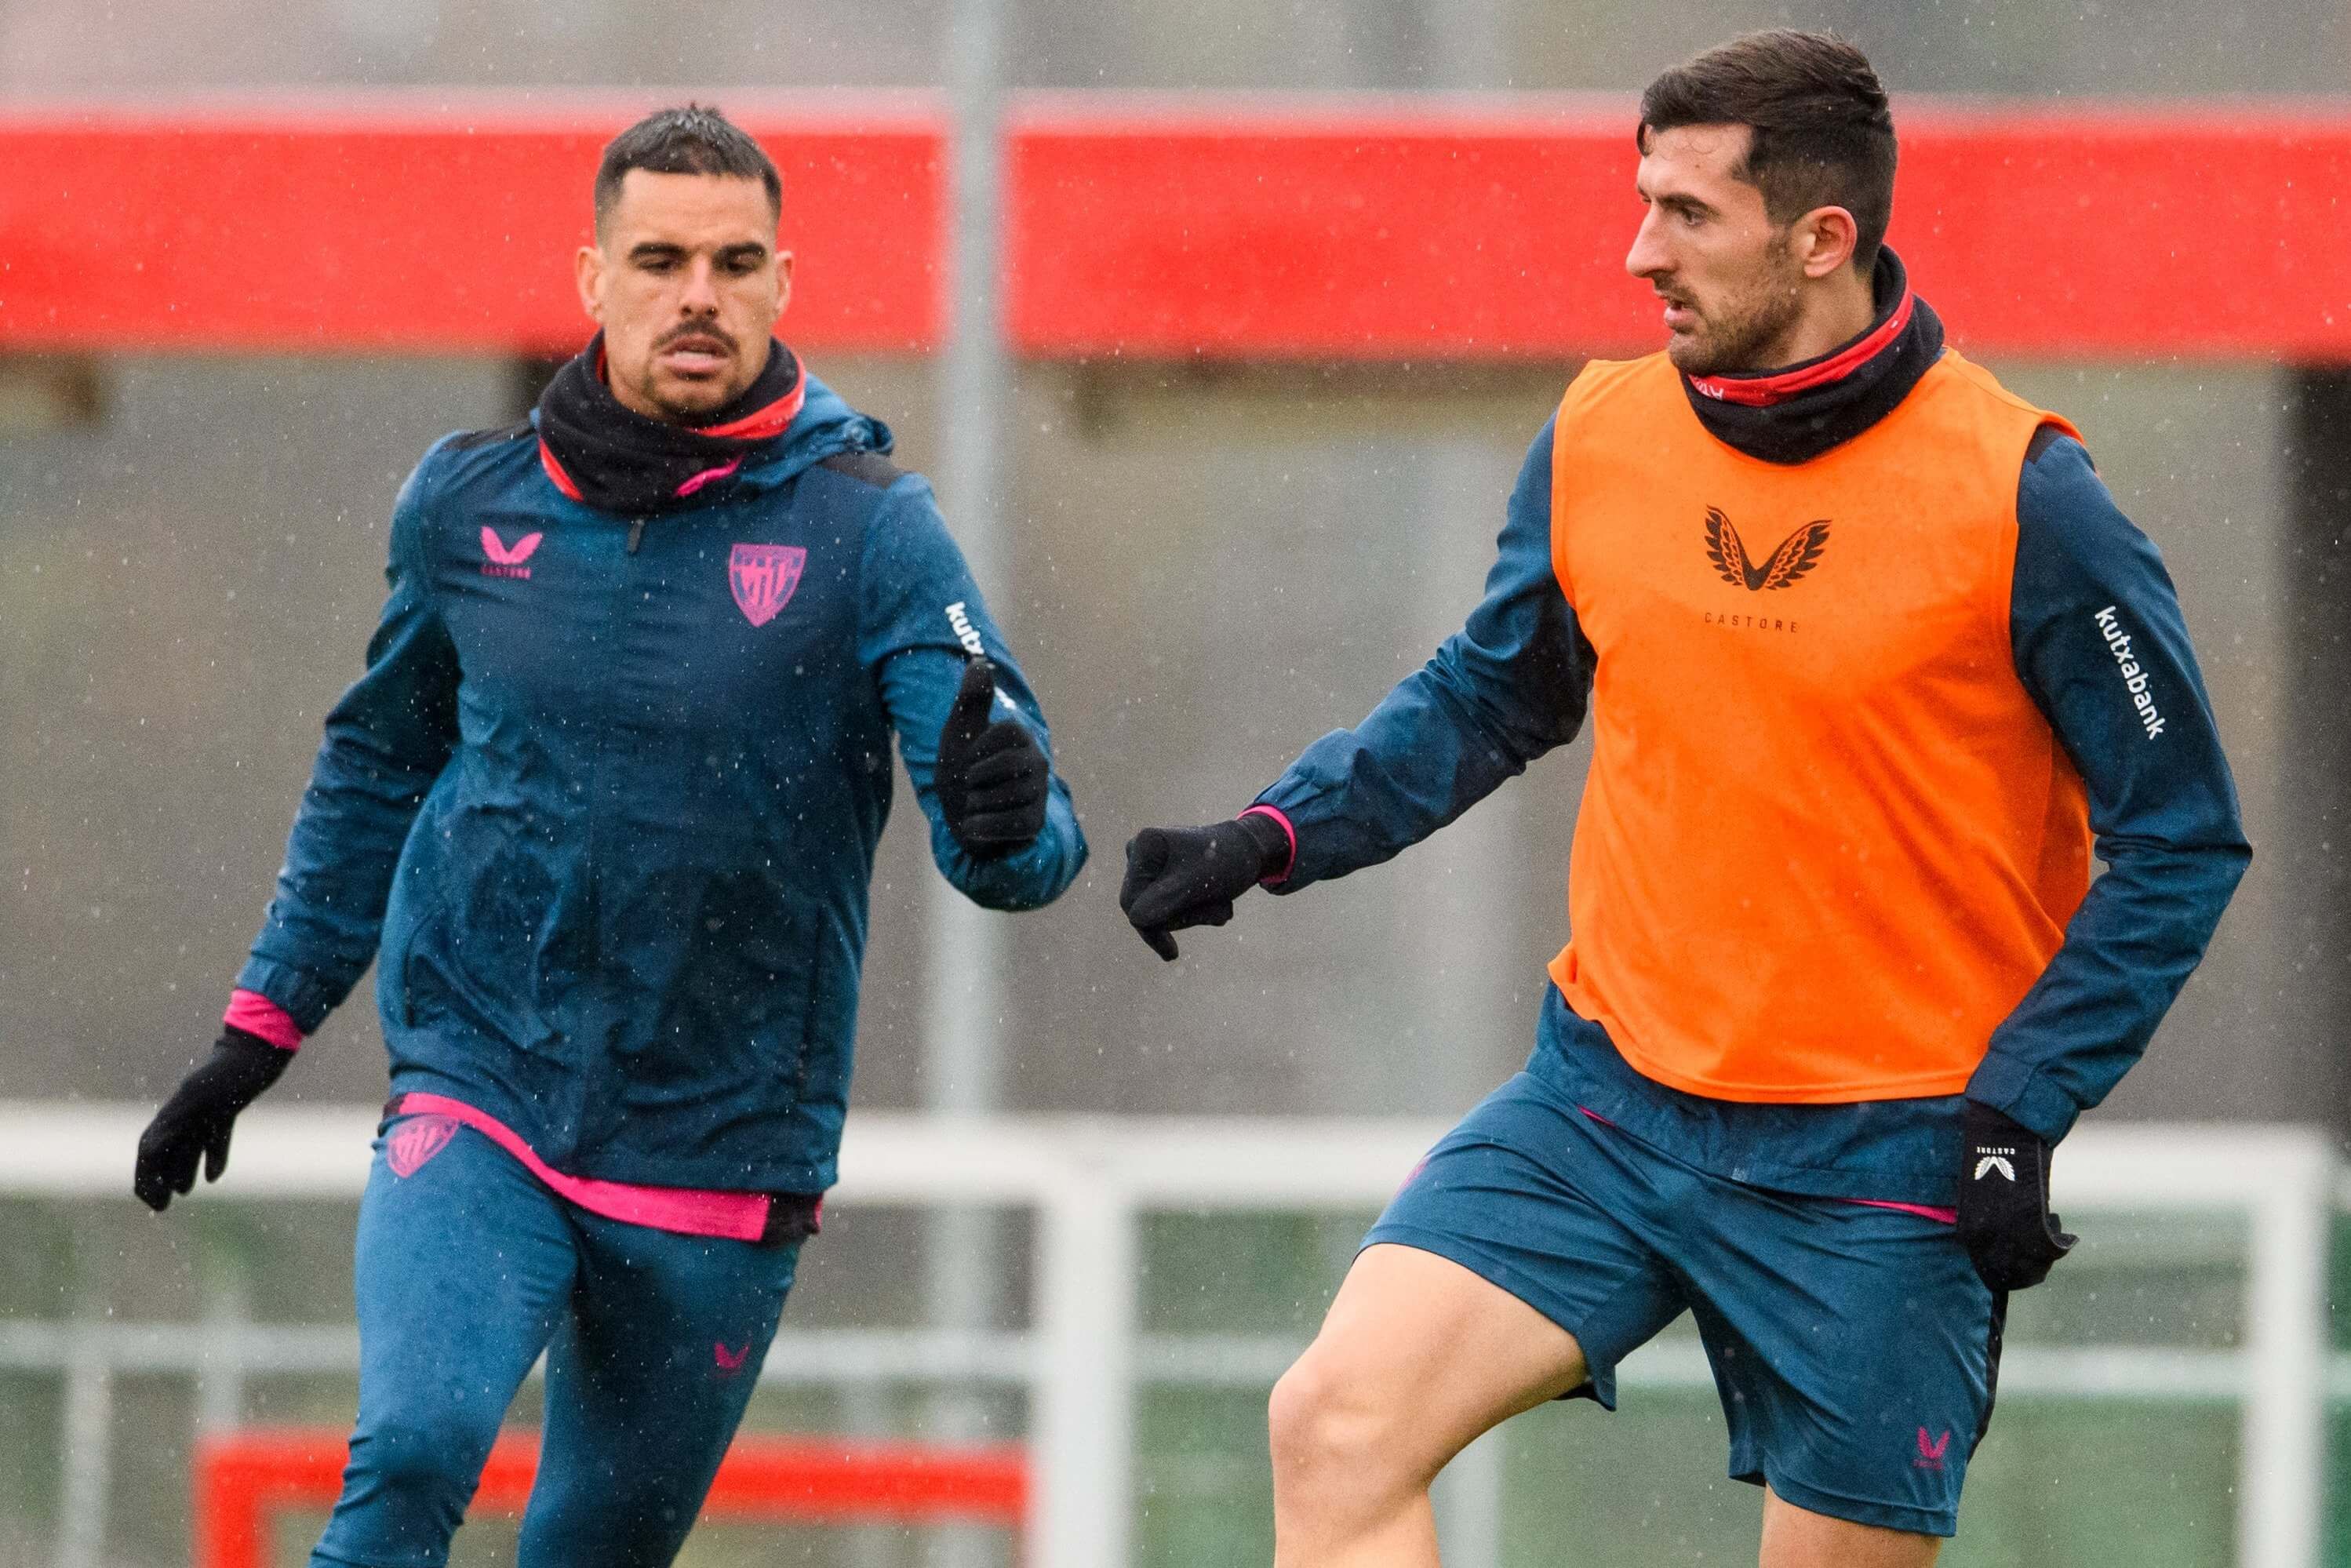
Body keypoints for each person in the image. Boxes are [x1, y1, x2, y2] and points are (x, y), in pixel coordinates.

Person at [1122, 31, 2246, 1566]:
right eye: (1640, 202)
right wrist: (1273, 835)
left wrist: (2018, 1106)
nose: (1638, 252)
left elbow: (2180, 840)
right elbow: (1491, 695)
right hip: (1602, 1103)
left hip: (1885, 1162)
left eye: (1686, 214)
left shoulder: (2028, 498)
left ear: (1820, 238)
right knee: (1332, 1424)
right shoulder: (1600, 431)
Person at [133, 105, 1086, 1567]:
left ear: (781, 284)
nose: (697, 294)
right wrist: (256, 1033)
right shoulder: (465, 505)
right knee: (412, 1451)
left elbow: (1011, 829)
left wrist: (1011, 818)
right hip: (482, 1096)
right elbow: (374, 772)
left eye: (732, 263)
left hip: (722, 1151)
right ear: (592, 279)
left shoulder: (876, 534)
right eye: (658, 260)